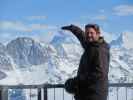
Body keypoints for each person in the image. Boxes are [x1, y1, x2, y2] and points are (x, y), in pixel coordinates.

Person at [61, 24, 110, 100]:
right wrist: (74, 28)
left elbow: (99, 73)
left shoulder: (100, 50)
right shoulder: (91, 45)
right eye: (87, 33)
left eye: (91, 33)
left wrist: (76, 81)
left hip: (94, 95)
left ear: (98, 34)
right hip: (88, 93)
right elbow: (82, 37)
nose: (89, 35)